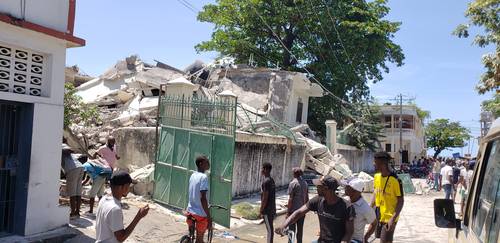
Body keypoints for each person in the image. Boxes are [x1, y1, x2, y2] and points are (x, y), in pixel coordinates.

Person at [276, 175, 354, 243]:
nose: (316, 188)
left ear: (326, 189)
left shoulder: (346, 206)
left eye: (319, 186)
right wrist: (284, 225)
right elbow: (299, 212)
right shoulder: (317, 200)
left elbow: (349, 233)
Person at [95, 172, 149, 243]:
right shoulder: (115, 208)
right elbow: (120, 237)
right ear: (122, 187)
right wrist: (138, 216)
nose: (129, 189)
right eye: (128, 186)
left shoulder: (104, 199)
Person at [365, 152, 404, 243]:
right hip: (378, 214)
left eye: (375, 162)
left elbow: (401, 201)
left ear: (382, 164)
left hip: (389, 217)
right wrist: (370, 207)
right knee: (368, 235)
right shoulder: (376, 177)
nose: (373, 164)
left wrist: (392, 219)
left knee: (385, 240)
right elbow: (376, 192)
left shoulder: (396, 181)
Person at [186, 156, 211, 243]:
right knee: (199, 239)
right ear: (201, 164)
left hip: (190, 211)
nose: (208, 163)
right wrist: (209, 217)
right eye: (206, 162)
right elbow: (203, 198)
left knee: (191, 235)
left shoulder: (193, 175)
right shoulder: (203, 177)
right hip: (200, 214)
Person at [343, 178, 376, 243]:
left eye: (347, 187)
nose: (345, 188)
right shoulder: (345, 201)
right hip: (342, 236)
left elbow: (374, 223)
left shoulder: (365, 208)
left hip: (354, 240)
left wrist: (366, 238)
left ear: (355, 191)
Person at [61, 144, 84, 219]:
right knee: (78, 191)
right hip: (80, 167)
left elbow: (70, 150)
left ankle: (73, 212)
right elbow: (71, 150)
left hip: (72, 169)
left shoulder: (60, 146)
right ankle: (77, 212)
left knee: (72, 192)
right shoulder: (65, 147)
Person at [286, 168, 309, 243]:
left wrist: (288, 212)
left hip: (293, 211)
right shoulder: (305, 183)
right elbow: (307, 198)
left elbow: (290, 199)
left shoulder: (293, 183)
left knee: (291, 231)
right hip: (302, 211)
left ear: (294, 174)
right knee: (300, 231)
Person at [260, 162, 276, 243]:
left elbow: (265, 198)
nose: (261, 170)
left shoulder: (266, 182)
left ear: (266, 169)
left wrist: (261, 210)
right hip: (272, 209)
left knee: (269, 230)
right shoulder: (271, 180)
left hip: (267, 210)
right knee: (270, 229)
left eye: (262, 168)